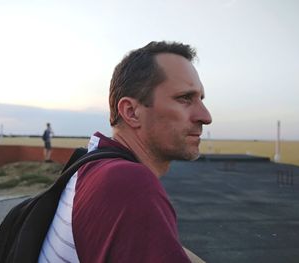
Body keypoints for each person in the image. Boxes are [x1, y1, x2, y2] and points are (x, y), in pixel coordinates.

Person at [38, 41, 212, 262]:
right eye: (185, 98)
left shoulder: (91, 163)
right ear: (131, 112)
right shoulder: (130, 183)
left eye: (201, 99)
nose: (206, 116)